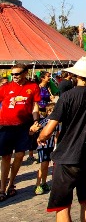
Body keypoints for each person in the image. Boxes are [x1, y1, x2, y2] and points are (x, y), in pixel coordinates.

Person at [37, 56, 86, 222]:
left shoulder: (68, 96)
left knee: (62, 204)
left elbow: (50, 128)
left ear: (78, 75)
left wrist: (41, 136)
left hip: (66, 155)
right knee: (85, 198)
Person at [0, 63, 41, 202]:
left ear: (25, 73)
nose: (14, 76)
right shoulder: (6, 87)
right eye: (12, 74)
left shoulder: (33, 86)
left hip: (23, 126)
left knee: (19, 155)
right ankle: (2, 188)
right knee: (6, 156)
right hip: (5, 125)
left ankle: (11, 184)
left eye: (17, 74)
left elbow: (35, 105)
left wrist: (36, 120)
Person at [33, 102, 59, 195]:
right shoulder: (44, 122)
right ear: (47, 112)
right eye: (50, 111)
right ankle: (37, 184)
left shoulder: (57, 122)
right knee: (43, 166)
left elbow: (57, 134)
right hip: (43, 147)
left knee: (47, 166)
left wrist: (56, 146)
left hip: (51, 146)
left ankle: (44, 183)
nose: (52, 113)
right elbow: (34, 131)